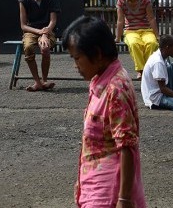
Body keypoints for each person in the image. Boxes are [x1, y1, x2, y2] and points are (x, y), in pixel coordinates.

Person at [62, 16, 146, 208]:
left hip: (108, 191)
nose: (76, 66)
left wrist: (124, 199)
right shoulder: (100, 81)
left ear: (97, 54)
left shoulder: (115, 89)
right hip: (96, 184)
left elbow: (127, 145)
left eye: (77, 58)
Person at [19, 0, 61, 92]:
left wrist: (45, 33)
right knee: (27, 47)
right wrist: (39, 32)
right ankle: (37, 82)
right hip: (31, 30)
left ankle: (44, 80)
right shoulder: (24, 1)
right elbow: (23, 26)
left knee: (45, 48)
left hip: (49, 29)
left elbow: (53, 21)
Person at [116, 0, 159, 80]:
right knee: (135, 44)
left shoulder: (145, 1)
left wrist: (157, 35)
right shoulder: (121, 1)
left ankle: (148, 69)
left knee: (152, 43)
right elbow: (120, 20)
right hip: (131, 31)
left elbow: (151, 18)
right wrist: (117, 38)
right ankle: (141, 70)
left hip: (146, 30)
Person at [141, 34, 173, 111]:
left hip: (162, 90)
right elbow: (163, 89)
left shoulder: (163, 55)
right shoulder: (158, 62)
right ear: (167, 47)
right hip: (156, 98)